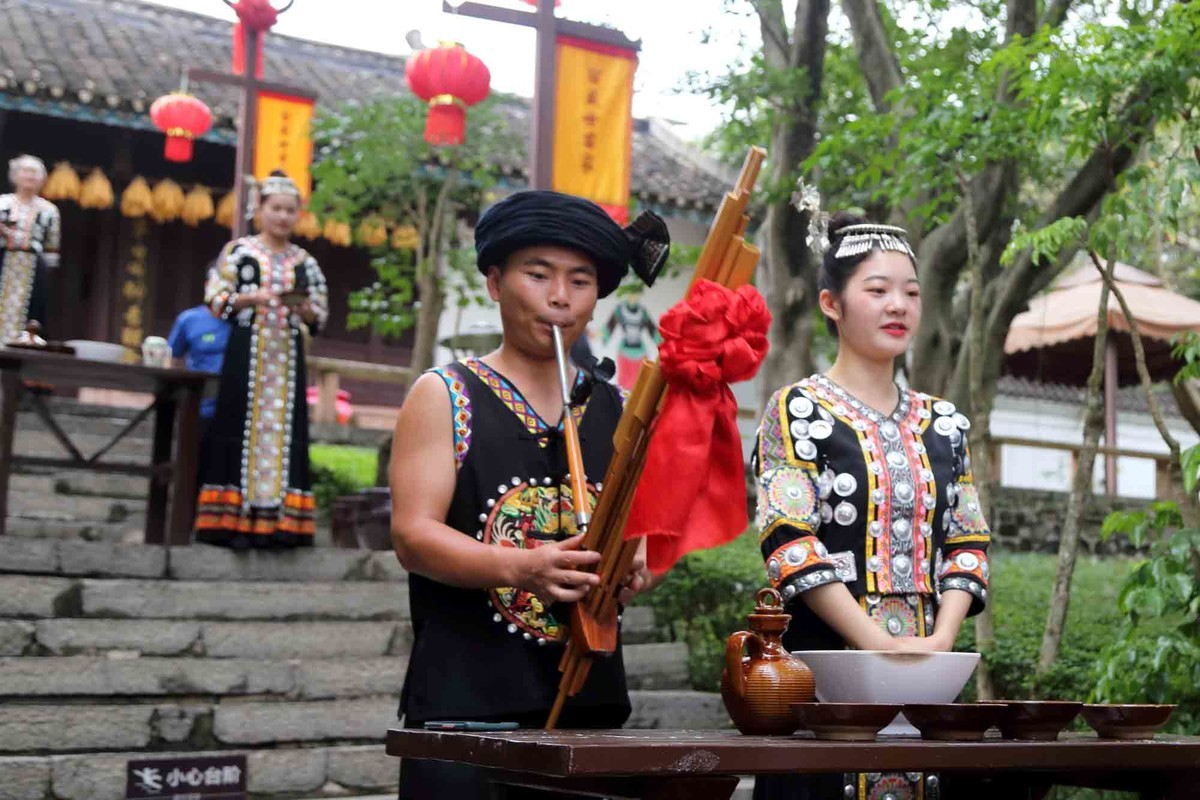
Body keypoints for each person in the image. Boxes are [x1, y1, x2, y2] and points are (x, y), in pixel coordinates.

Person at [389, 190, 667, 799]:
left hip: (589, 714)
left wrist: (639, 564)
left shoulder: (620, 409)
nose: (560, 297)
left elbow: (640, 531)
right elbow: (413, 536)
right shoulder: (445, 394)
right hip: (466, 711)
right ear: (494, 282)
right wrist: (522, 565)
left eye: (580, 280)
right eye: (537, 275)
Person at [753, 213, 991, 800]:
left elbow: (967, 539)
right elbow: (790, 545)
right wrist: (877, 642)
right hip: (828, 670)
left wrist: (940, 641)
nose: (899, 306)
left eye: (910, 292)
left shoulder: (945, 423)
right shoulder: (797, 411)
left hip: (933, 677)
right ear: (831, 303)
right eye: (878, 290)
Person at [193, 170, 328, 549]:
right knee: (236, 427)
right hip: (245, 354)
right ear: (260, 211)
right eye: (276, 209)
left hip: (286, 356)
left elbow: (321, 313)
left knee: (286, 436)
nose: (283, 217)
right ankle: (230, 522)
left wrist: (303, 309)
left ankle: (283, 525)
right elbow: (215, 299)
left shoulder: (306, 263)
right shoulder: (239, 253)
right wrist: (252, 298)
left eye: (290, 210)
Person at [0, 155, 61, 342]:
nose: (30, 176)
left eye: (35, 173)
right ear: (15, 176)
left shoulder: (49, 210)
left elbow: (52, 245)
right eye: (26, 171)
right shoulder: (2, 203)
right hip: (3, 258)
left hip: (34, 265)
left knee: (33, 310)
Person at [167, 271, 232, 420]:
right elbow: (172, 360)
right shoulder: (189, 320)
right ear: (207, 285)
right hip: (198, 407)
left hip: (236, 408)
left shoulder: (246, 323)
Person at [601, 291, 659, 389]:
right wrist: (603, 336)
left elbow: (652, 329)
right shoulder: (619, 310)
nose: (633, 297)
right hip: (624, 351)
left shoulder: (643, 312)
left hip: (640, 352)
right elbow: (610, 326)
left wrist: (662, 342)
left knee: (641, 380)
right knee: (624, 381)